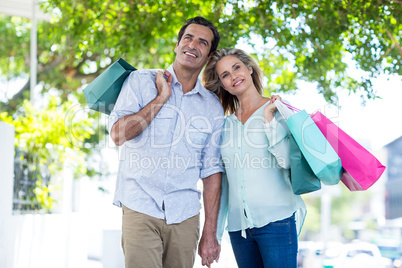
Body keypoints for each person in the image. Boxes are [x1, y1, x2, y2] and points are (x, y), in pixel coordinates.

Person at [108, 17, 223, 268]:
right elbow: (117, 135)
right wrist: (162, 97)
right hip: (140, 206)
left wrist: (210, 233)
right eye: (188, 38)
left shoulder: (212, 107)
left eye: (202, 42)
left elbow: (212, 172)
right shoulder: (140, 81)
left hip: (185, 215)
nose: (193, 45)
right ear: (177, 44)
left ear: (209, 56)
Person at [202, 48, 307, 268]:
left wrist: (269, 121)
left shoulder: (276, 109)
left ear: (249, 69)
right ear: (223, 84)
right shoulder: (226, 125)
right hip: (239, 231)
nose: (233, 76)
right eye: (225, 75)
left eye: (236, 68)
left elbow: (287, 162)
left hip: (277, 221)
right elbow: (224, 184)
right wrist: (215, 234)